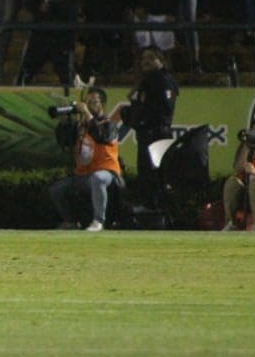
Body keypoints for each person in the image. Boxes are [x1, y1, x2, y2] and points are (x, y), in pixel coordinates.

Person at [49, 87, 123, 232]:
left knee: (98, 178)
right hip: (84, 174)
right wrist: (64, 122)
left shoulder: (109, 124)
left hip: (107, 172)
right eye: (87, 102)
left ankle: (98, 221)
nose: (89, 105)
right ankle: (70, 221)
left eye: (93, 102)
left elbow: (102, 136)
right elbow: (65, 142)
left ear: (101, 104)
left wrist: (87, 114)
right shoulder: (81, 126)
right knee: (57, 189)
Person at [119, 47, 178, 208]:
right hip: (145, 133)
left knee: (156, 173)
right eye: (144, 58)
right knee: (145, 172)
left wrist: (142, 107)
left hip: (157, 133)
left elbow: (164, 109)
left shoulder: (164, 80)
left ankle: (158, 208)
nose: (146, 61)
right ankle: (147, 206)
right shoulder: (146, 81)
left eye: (151, 58)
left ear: (161, 61)